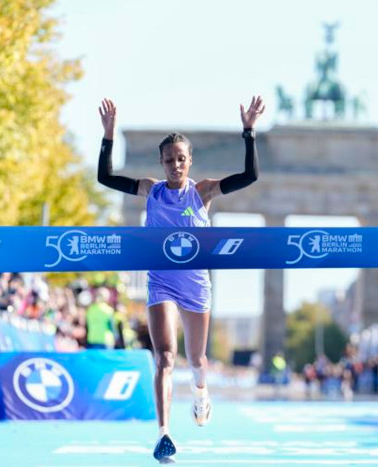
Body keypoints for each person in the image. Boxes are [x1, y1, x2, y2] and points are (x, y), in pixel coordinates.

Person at [97, 96, 264, 463]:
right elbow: (105, 178)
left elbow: (250, 177)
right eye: (169, 159)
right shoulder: (150, 190)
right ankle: (163, 433)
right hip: (161, 282)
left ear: (190, 162)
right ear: (161, 162)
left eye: (181, 159)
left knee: (197, 358)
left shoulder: (201, 191)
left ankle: (202, 392)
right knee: (165, 357)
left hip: (196, 285)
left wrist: (249, 132)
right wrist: (108, 136)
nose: (175, 165)